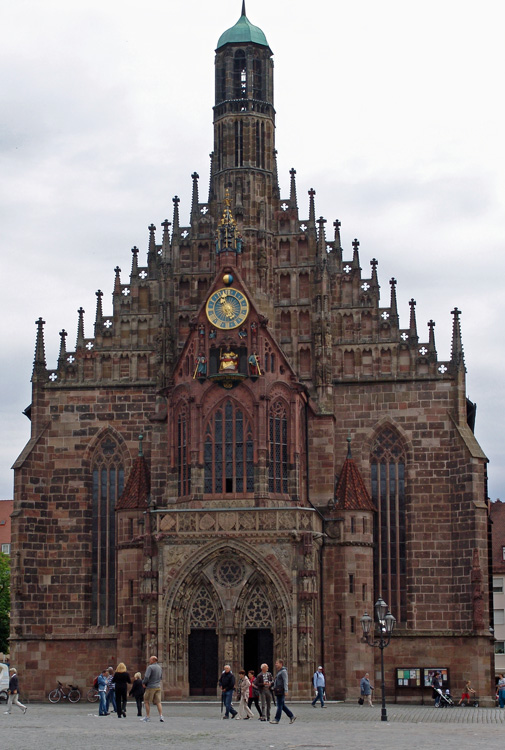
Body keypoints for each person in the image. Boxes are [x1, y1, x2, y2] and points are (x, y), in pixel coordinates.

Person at [270, 659, 296, 724]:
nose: (276, 664)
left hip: (281, 690)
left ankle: (277, 719)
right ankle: (292, 716)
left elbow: (285, 681)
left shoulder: (283, 671)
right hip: (278, 690)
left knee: (279, 705)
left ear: (281, 664)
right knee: (282, 705)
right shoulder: (279, 671)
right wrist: (271, 684)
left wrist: (286, 690)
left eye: (277, 663)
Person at [142, 655, 164, 722]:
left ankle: (148, 716)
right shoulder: (159, 667)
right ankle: (161, 716)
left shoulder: (150, 667)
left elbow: (146, 677)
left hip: (150, 687)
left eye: (150, 659)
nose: (149, 661)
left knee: (146, 701)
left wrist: (143, 683)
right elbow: (161, 677)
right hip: (158, 686)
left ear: (153, 660)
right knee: (158, 702)